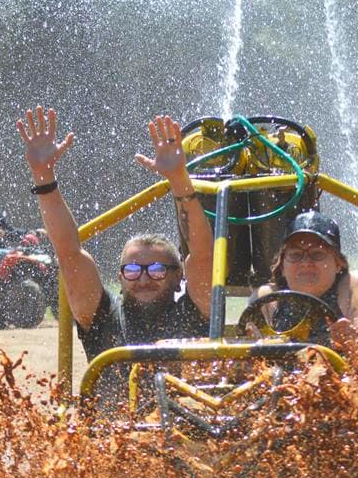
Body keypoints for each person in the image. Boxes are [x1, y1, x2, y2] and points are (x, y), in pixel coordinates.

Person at [15, 106, 214, 398]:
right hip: (112, 439)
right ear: (119, 278)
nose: (143, 279)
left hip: (181, 437)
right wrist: (43, 176)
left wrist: (178, 179)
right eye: (132, 271)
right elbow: (69, 252)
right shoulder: (102, 318)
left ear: (178, 277)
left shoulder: (194, 313)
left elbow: (203, 255)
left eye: (157, 270)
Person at [251, 210, 358, 350]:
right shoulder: (267, 300)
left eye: (317, 254)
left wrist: (353, 345)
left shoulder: (355, 287)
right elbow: (246, 359)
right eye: (295, 255)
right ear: (282, 267)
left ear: (338, 264)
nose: (305, 262)